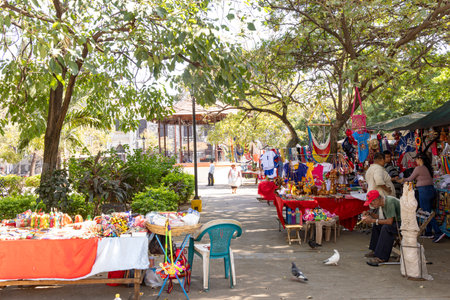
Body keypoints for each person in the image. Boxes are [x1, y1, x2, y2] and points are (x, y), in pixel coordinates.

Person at [400, 153, 446, 243]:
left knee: (427, 213)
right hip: (430, 190)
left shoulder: (419, 168)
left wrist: (401, 179)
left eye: (416, 159)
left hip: (424, 191)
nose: (415, 161)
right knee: (427, 211)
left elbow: (410, 178)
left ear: (420, 159)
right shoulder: (427, 167)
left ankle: (438, 232)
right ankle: (428, 232)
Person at [362, 190, 401, 266]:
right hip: (395, 222)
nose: (371, 205)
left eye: (372, 203)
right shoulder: (383, 203)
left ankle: (381, 257)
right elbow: (381, 218)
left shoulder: (389, 202)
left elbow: (389, 221)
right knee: (377, 225)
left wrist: (372, 220)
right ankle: (375, 250)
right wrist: (370, 214)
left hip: (404, 223)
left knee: (386, 228)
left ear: (377, 199)